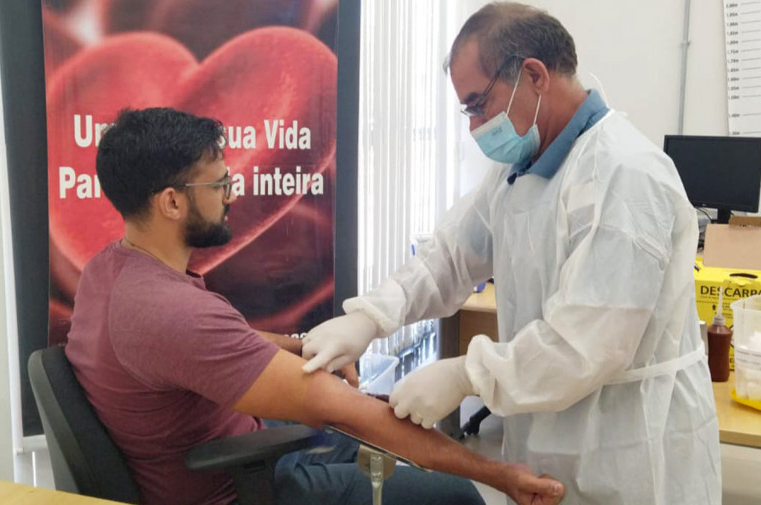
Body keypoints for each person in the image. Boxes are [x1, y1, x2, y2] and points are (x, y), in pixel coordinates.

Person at [301, 3, 722, 504]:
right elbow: (451, 256)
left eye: (480, 104)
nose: (475, 126)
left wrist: (467, 375)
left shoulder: (626, 174)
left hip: (630, 450)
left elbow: (584, 345)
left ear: (534, 75)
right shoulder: (521, 166)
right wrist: (371, 317)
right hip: (548, 436)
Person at [64, 107, 565, 505]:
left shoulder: (109, 272)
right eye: (218, 185)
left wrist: (300, 345)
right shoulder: (170, 311)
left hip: (233, 449)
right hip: (240, 487)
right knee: (450, 493)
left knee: (379, 447)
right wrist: (500, 473)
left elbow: (216, 348)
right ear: (171, 203)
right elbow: (350, 413)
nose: (230, 195)